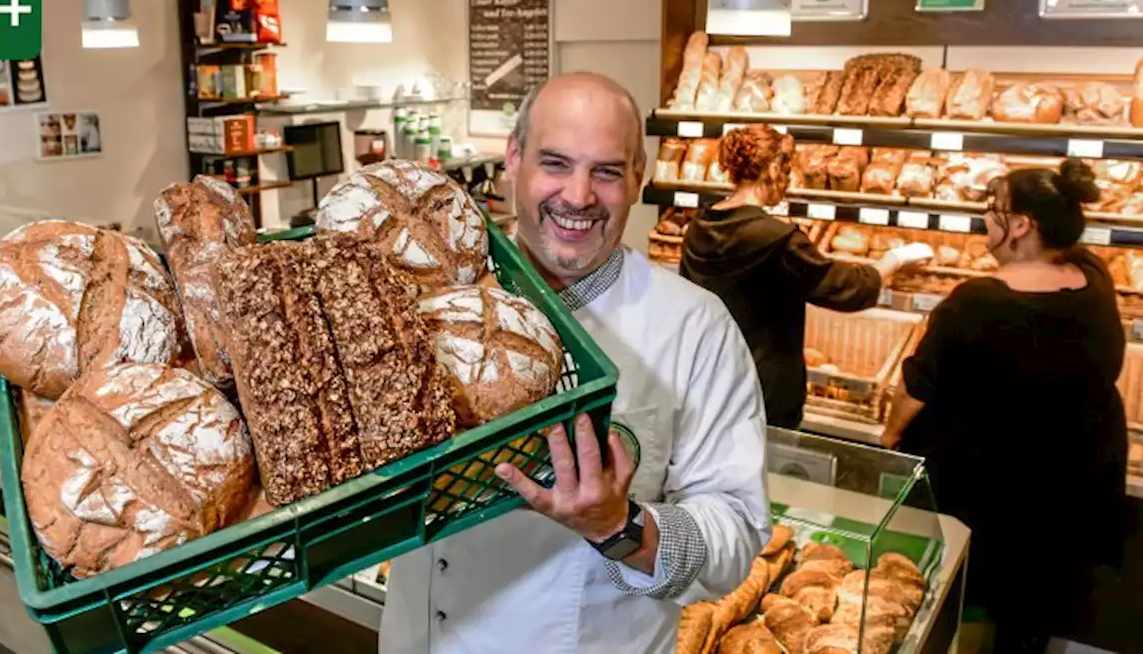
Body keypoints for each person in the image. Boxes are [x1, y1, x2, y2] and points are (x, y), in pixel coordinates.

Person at [379, 73, 771, 653]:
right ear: (513, 158)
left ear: (640, 178)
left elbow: (736, 529)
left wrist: (621, 528)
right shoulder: (419, 293)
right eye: (556, 163)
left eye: (607, 171)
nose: (579, 196)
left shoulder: (695, 328)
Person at [882, 159, 1128, 653]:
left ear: (1020, 224)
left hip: (994, 489)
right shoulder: (1093, 276)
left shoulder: (978, 301)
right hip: (1074, 481)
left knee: (967, 610)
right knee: (1030, 617)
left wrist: (889, 442)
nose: (986, 221)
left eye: (993, 210)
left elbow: (917, 386)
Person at [679, 125, 931, 428]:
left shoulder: (700, 226)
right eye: (786, 169)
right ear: (773, 169)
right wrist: (895, 259)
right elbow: (844, 287)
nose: (788, 182)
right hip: (761, 394)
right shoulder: (777, 239)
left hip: (707, 385)